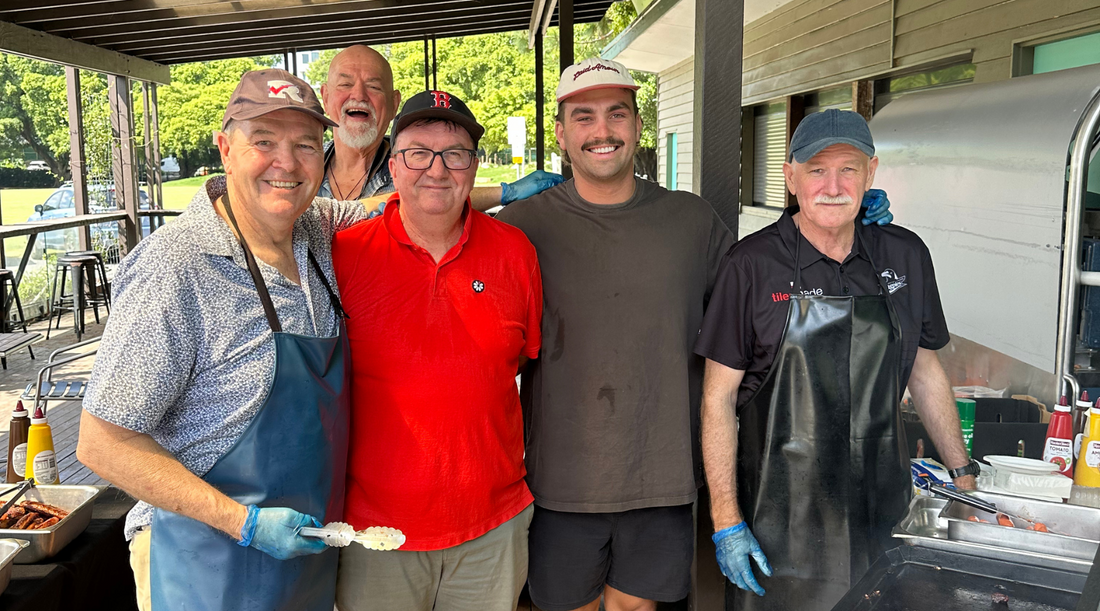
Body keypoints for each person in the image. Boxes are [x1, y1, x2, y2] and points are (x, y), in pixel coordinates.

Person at [494, 59, 894, 611]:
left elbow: (759, 293)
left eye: (617, 113)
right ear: (561, 134)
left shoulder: (692, 221)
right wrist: (488, 195)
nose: (602, 130)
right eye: (583, 117)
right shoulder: (520, 227)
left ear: (638, 126)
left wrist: (835, 214)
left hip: (662, 474)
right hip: (558, 478)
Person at [77, 69, 367, 611]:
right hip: (202, 560)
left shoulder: (315, 227)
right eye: (264, 141)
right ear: (225, 149)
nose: (287, 162)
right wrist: (245, 523)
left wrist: (498, 190)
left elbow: (400, 203)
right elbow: (102, 444)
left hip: (305, 557)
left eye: (306, 145)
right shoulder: (175, 267)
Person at [694, 109, 978, 611]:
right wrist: (725, 522)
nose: (832, 185)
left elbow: (925, 370)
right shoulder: (751, 265)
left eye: (847, 169)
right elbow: (718, 399)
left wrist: (962, 475)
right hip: (777, 523)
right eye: (816, 170)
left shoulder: (905, 255)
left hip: (882, 513)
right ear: (790, 176)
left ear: (871, 173)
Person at [331, 89, 542, 611]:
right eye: (418, 152)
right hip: (375, 532)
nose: (437, 170)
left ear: (474, 166)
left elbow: (516, 361)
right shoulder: (344, 255)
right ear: (394, 165)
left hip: (492, 529)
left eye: (455, 154)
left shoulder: (516, 252)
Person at [319, 44, 563, 212]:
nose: (359, 95)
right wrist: (503, 192)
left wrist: (505, 193)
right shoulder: (302, 164)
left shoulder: (411, 163)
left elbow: (441, 196)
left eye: (374, 86)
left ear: (394, 104)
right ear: (326, 96)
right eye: (345, 84)